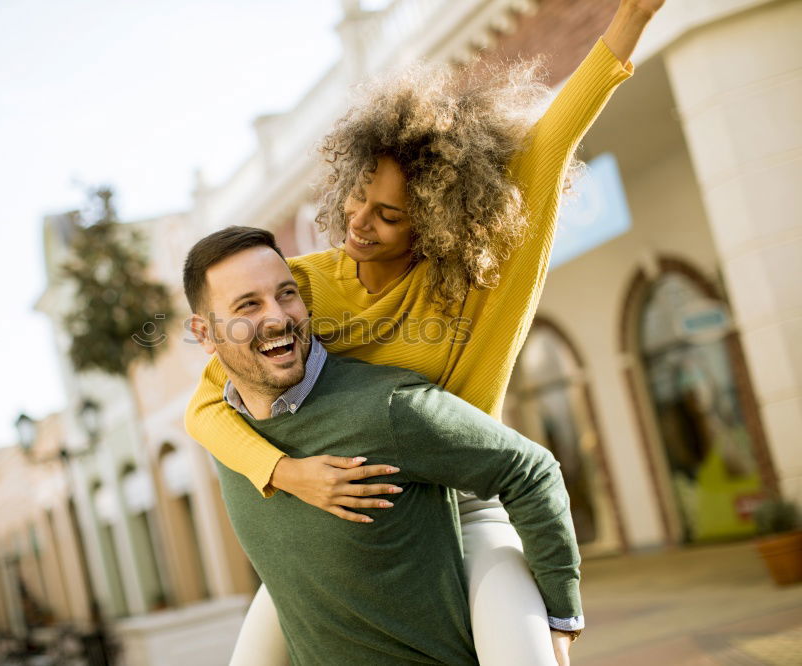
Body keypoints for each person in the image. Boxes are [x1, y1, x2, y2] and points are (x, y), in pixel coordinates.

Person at [185, 2, 664, 664]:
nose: (358, 222)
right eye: (356, 196)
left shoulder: (475, 279)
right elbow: (207, 404)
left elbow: (551, 141)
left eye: (388, 215)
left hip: (468, 505)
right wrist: (286, 474)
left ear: (438, 221)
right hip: (362, 520)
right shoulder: (303, 286)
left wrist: (629, 24)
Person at [184, 227, 582, 665]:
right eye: (249, 305)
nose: (278, 317)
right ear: (205, 334)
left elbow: (530, 471)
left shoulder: (387, 409)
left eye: (286, 294)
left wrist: (560, 617)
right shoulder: (228, 439)